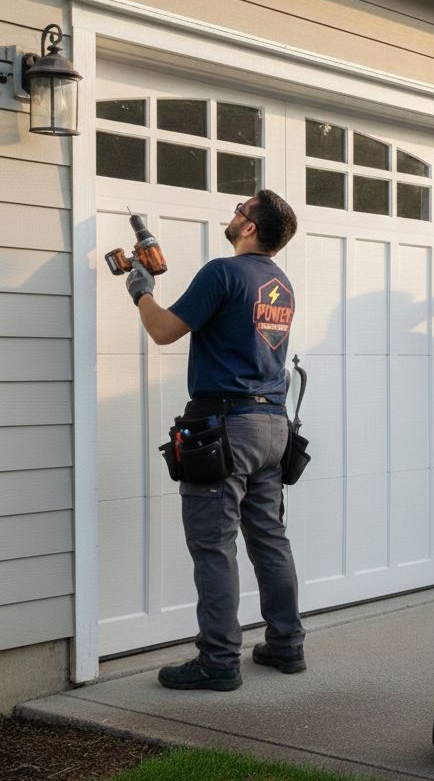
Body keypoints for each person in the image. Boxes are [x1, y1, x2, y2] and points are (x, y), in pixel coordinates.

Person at [124, 190, 306, 691]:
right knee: (269, 539)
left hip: (226, 427)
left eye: (240, 210)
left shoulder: (223, 273)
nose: (234, 214)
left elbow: (163, 331)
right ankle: (287, 646)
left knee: (213, 546)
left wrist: (141, 291)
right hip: (273, 426)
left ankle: (219, 661)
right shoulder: (280, 283)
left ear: (249, 228)